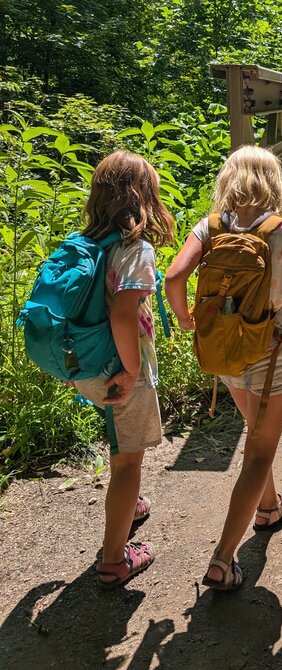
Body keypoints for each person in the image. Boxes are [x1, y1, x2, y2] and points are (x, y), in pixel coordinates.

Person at [165, 145, 282, 592]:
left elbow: (173, 278)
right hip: (270, 351)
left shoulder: (209, 227)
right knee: (259, 451)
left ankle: (270, 507)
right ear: (273, 183)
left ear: (229, 181)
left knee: (256, 433)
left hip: (223, 348)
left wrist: (186, 319)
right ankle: (222, 559)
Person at [73, 150, 174, 588]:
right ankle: (115, 560)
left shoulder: (87, 243)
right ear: (143, 197)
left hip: (86, 364)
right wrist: (133, 371)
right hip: (119, 369)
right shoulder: (135, 248)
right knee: (128, 464)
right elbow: (123, 312)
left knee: (119, 446)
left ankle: (127, 507)